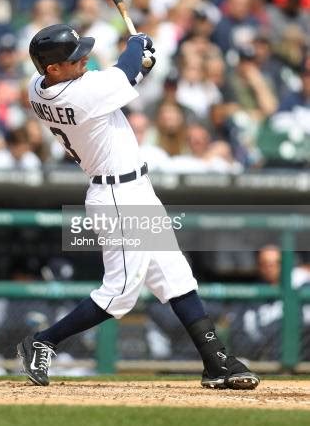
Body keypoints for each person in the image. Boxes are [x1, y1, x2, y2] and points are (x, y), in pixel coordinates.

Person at [16, 23, 260, 390]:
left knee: (176, 276)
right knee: (120, 292)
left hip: (133, 190)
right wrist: (137, 46)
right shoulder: (81, 93)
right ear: (52, 68)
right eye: (74, 57)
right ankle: (44, 340)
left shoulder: (39, 88)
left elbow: (122, 78)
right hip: (117, 197)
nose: (83, 58)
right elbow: (124, 71)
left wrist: (138, 68)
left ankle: (217, 362)